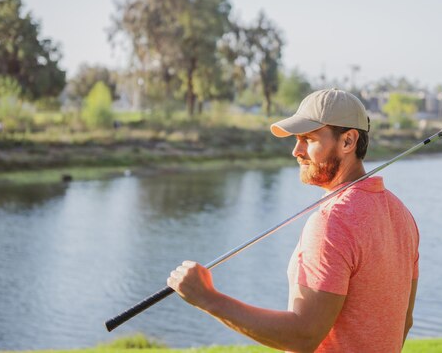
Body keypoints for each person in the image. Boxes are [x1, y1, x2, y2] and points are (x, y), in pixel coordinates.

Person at [167, 88, 420, 352]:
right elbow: (405, 321)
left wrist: (208, 299)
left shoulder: (332, 221)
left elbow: (303, 335)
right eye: (297, 139)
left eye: (308, 139)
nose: (296, 151)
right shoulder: (401, 214)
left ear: (348, 141)